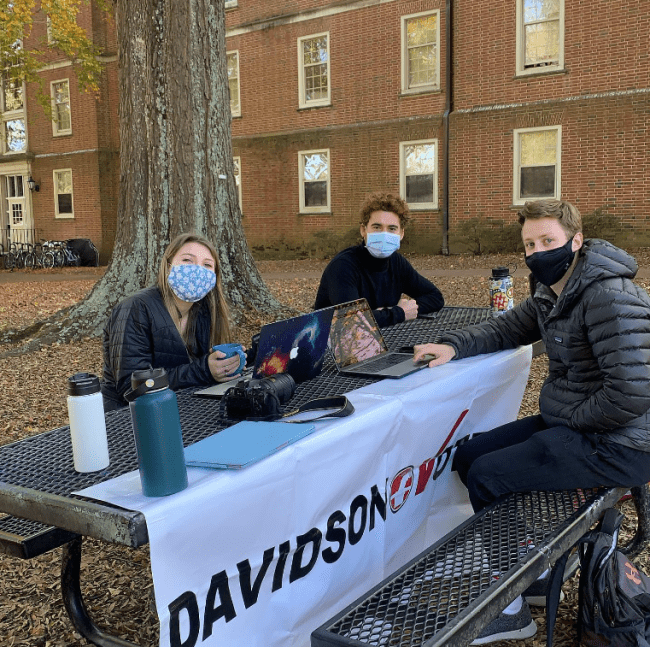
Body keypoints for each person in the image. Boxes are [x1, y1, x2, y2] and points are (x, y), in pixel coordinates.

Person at [413, 199, 650, 644]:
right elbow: (506, 328)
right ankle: (531, 572)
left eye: (548, 241)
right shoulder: (552, 290)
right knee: (469, 455)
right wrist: (452, 345)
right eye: (529, 244)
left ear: (575, 242)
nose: (538, 251)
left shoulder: (608, 295)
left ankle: (510, 607)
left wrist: (568, 420)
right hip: (581, 420)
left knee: (488, 476)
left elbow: (633, 394)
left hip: (625, 442)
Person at [102, 232, 245, 411]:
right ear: (168, 266)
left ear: (214, 277)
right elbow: (131, 386)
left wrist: (228, 364)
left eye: (207, 265)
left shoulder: (206, 311)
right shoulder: (136, 308)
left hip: (182, 410)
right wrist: (204, 370)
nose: (197, 270)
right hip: (125, 418)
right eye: (187, 260)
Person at [313, 192, 444, 326]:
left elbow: (435, 297)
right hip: (330, 342)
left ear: (401, 234)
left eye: (392, 228)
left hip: (378, 339)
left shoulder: (397, 263)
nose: (384, 234)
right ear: (363, 230)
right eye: (377, 227)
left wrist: (388, 313)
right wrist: (399, 313)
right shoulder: (343, 266)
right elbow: (353, 320)